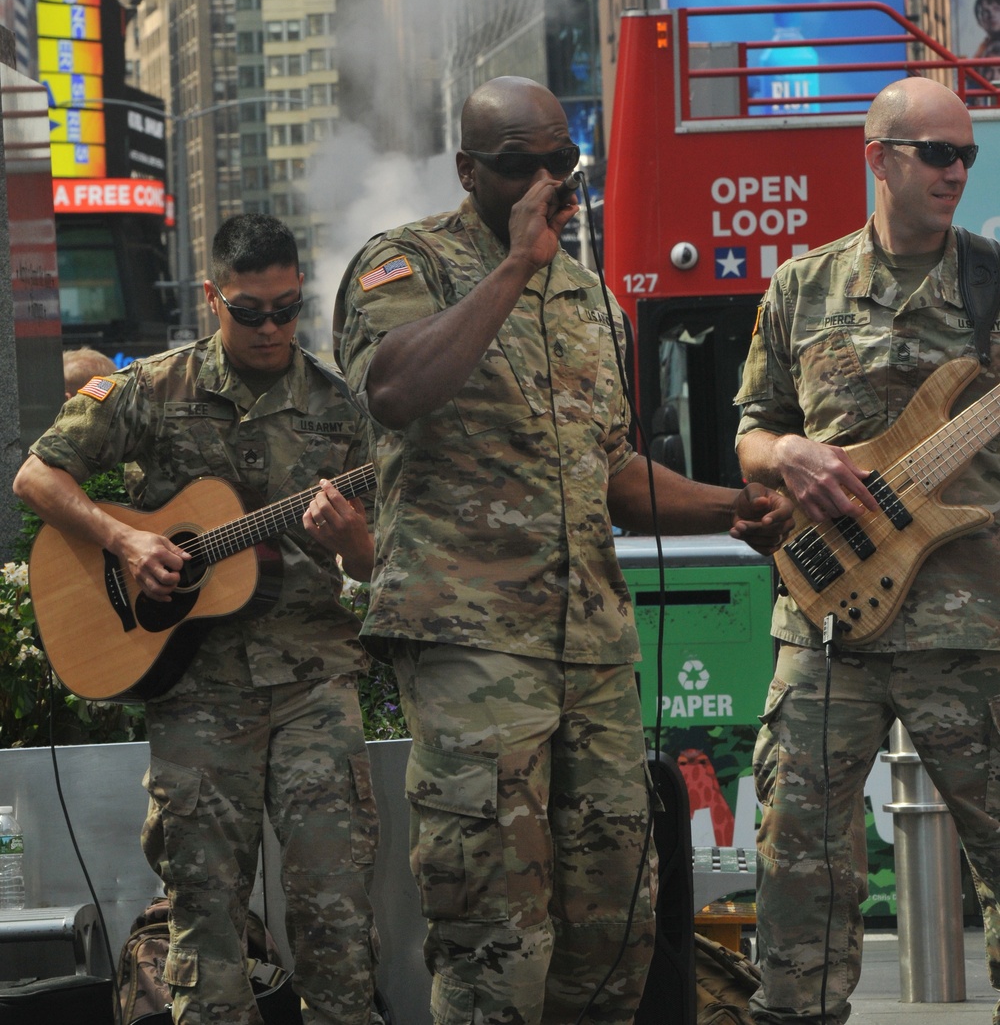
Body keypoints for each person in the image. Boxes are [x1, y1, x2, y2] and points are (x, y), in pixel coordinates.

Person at [334, 75, 794, 1025]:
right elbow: (393, 392)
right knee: (496, 932)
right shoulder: (405, 263)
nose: (546, 180)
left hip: (590, 647)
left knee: (614, 928)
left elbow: (615, 470)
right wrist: (513, 265)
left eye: (561, 162)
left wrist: (734, 506)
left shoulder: (587, 298)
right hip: (471, 643)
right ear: (469, 170)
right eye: (519, 166)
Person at [15, 215, 380, 1025]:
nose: (272, 328)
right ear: (214, 297)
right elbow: (38, 476)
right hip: (197, 689)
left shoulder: (338, 407)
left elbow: (375, 564)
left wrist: (357, 546)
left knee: (337, 913)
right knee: (203, 919)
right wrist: (125, 539)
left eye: (287, 308)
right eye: (250, 311)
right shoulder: (154, 386)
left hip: (312, 681)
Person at [733, 75, 1000, 1024]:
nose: (955, 171)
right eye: (936, 153)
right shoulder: (802, 286)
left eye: (965, 155)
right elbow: (752, 431)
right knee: (797, 857)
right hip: (827, 620)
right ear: (878, 156)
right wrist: (788, 455)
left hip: (972, 629)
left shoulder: (993, 282)